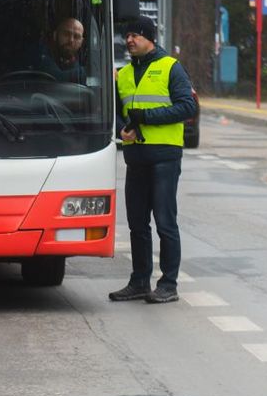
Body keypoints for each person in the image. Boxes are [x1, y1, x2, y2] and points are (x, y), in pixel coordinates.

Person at [108, 16, 197, 305]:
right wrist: (123, 126)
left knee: (164, 222)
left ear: (150, 37)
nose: (129, 40)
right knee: (136, 224)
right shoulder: (123, 74)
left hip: (164, 157)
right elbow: (122, 110)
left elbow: (187, 107)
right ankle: (139, 282)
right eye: (126, 36)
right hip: (136, 157)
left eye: (134, 35)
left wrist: (145, 118)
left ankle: (168, 284)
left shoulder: (170, 67)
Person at [29, 17, 86, 83]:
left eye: (76, 36)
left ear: (81, 42)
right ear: (55, 35)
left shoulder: (73, 61)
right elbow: (56, 78)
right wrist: (83, 72)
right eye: (66, 34)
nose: (71, 40)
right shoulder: (39, 51)